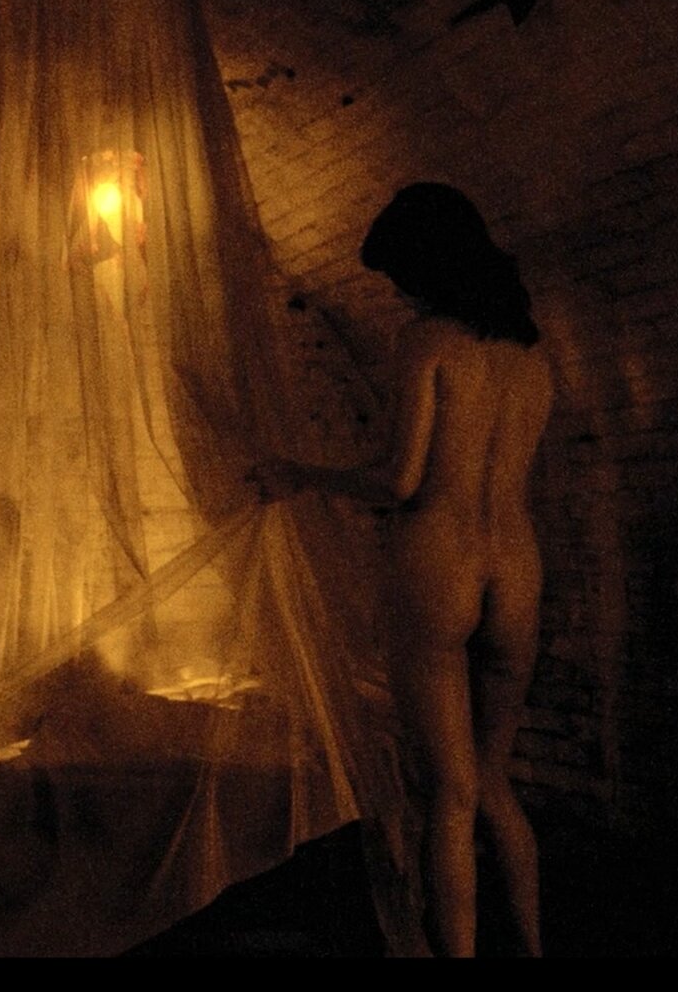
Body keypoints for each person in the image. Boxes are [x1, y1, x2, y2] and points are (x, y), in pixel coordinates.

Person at [250, 183, 553, 957]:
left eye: (402, 277)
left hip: (439, 564)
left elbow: (399, 479)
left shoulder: (427, 343)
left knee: (448, 795)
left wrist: (300, 474)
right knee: (494, 781)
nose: (399, 294)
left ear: (429, 266)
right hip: (517, 567)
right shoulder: (532, 356)